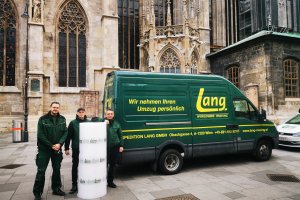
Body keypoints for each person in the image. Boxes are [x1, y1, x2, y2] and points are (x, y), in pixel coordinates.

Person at [33, 101, 68, 200]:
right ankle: (37, 192)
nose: (55, 109)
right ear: (50, 107)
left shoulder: (62, 119)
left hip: (57, 149)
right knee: (41, 171)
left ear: (59, 108)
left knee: (57, 169)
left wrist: (60, 144)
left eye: (57, 107)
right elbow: (40, 135)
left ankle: (56, 188)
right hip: (44, 149)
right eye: (54, 107)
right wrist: (51, 145)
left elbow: (65, 132)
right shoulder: (43, 119)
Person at [64, 107, 89, 194]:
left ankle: (86, 182)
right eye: (80, 112)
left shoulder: (89, 122)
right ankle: (74, 185)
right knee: (75, 166)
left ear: (85, 113)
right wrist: (66, 148)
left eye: (83, 112)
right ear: (77, 113)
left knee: (86, 166)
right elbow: (68, 136)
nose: (81, 113)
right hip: (76, 148)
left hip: (87, 149)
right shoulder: (73, 123)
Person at [105, 109, 124, 188]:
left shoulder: (117, 123)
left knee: (112, 165)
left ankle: (110, 182)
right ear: (106, 115)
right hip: (104, 148)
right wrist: (103, 121)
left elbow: (120, 135)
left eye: (111, 114)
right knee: (103, 165)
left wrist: (121, 145)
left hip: (115, 147)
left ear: (113, 115)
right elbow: (94, 120)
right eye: (108, 114)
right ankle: (101, 181)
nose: (110, 115)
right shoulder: (102, 123)